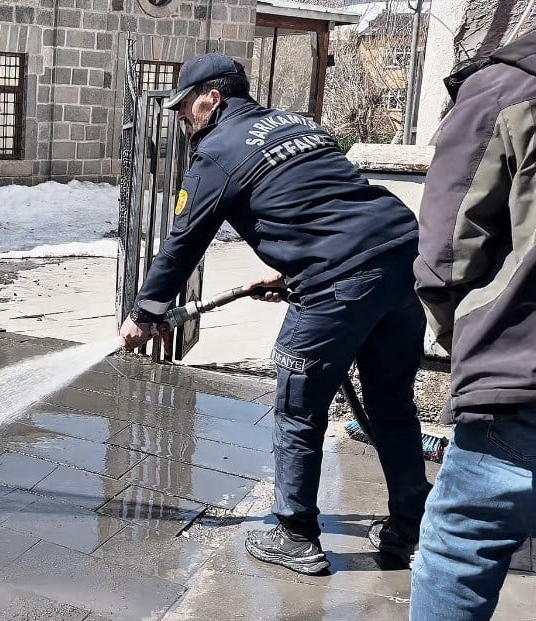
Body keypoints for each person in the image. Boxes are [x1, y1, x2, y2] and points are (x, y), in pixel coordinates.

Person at [118, 53, 432, 575]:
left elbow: (182, 243)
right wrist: (291, 273)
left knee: (298, 409)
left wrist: (145, 311)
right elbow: (324, 203)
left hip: (337, 284)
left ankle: (294, 534)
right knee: (391, 405)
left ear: (212, 98)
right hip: (400, 262)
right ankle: (412, 527)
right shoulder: (297, 123)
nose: (181, 120)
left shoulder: (216, 153)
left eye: (184, 108)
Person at [411, 29, 536, 621]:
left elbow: (446, 256)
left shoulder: (508, 86)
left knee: (463, 541)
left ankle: (293, 528)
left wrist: (469, 350)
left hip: (521, 381)